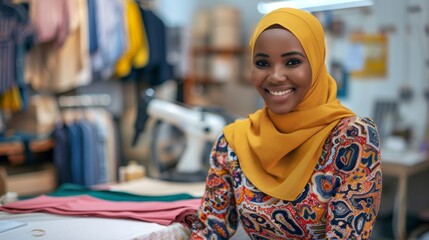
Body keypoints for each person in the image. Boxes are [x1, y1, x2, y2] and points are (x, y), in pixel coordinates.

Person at [190, 7, 382, 240]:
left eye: (292, 62)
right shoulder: (233, 142)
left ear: (316, 63)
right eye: (262, 63)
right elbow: (210, 227)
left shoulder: (351, 138)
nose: (275, 76)